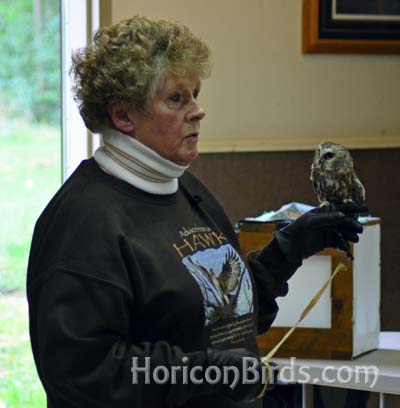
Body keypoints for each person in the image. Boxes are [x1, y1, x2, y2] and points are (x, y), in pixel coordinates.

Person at [27, 15, 366, 408]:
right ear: (122, 115)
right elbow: (82, 371)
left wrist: (286, 253)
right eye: (177, 98)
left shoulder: (188, 190)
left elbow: (223, 319)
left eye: (196, 94)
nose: (198, 110)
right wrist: (202, 371)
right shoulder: (80, 222)